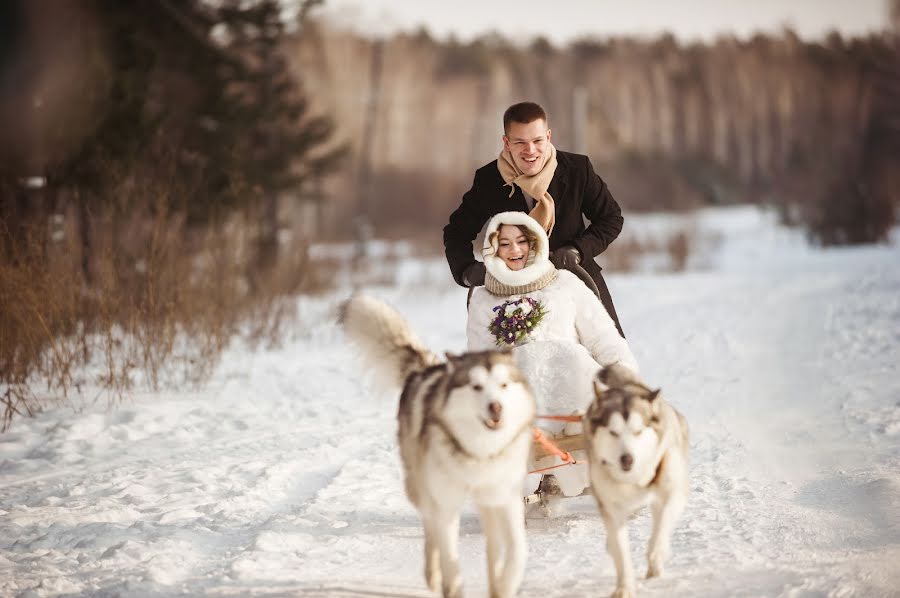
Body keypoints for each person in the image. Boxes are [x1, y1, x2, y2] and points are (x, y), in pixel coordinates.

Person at [466, 211, 638, 504]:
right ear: (492, 249)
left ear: (535, 243)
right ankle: (531, 475)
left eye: (522, 241)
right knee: (520, 366)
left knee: (569, 357)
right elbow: (481, 362)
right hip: (523, 401)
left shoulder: (564, 283)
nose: (515, 251)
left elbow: (602, 337)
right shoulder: (483, 298)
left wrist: (625, 378)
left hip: (573, 386)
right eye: (504, 244)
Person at [444, 101, 627, 337]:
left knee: (611, 358)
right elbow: (456, 232)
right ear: (506, 143)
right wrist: (468, 271)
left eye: (537, 141)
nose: (530, 150)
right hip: (514, 292)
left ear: (548, 137)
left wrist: (577, 250)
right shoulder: (489, 179)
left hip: (576, 277)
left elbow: (611, 218)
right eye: (520, 142)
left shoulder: (577, 169)